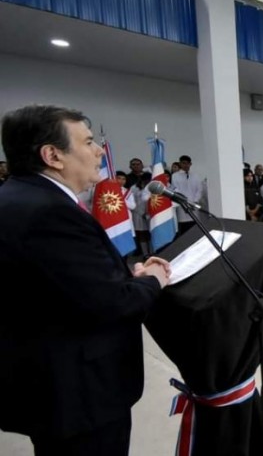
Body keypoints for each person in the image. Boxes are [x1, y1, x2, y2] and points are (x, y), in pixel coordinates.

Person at [0, 105, 171, 455]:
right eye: (89, 142)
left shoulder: (16, 198)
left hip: (45, 381)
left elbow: (65, 284)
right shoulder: (51, 212)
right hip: (79, 394)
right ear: (53, 155)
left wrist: (124, 276)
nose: (99, 152)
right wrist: (152, 278)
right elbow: (113, 304)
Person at [171, 154, 204, 234]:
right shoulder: (175, 176)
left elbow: (199, 190)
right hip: (182, 206)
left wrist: (195, 201)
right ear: (180, 164)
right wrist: (185, 202)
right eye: (183, 163)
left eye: (187, 163)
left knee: (195, 230)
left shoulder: (195, 176)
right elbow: (176, 190)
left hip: (194, 205)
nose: (185, 165)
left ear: (190, 164)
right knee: (184, 231)